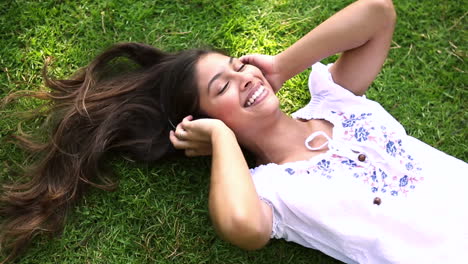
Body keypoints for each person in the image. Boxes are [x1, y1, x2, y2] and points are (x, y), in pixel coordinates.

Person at [0, 0, 466, 263]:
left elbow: (377, 13)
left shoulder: (336, 101)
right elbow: (243, 228)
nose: (244, 77)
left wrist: (283, 66)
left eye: (238, 66)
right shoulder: (272, 191)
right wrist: (222, 141)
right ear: (202, 121)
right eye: (223, 85)